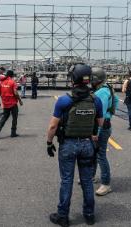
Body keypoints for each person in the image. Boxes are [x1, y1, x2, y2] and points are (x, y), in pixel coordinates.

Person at [45, 64, 104, 226]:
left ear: (73, 79)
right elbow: (100, 123)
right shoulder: (96, 100)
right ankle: (89, 214)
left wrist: (49, 143)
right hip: (87, 144)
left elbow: (52, 126)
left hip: (68, 144)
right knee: (86, 180)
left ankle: (63, 216)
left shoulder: (64, 100)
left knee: (67, 180)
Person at [91, 67, 119, 196]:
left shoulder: (101, 92)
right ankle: (91, 176)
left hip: (101, 127)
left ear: (96, 79)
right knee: (95, 153)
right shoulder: (108, 88)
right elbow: (116, 101)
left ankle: (106, 184)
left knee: (100, 155)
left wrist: (96, 131)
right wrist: (110, 114)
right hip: (106, 124)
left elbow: (99, 114)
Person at [0, 70, 23, 138]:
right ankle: (13, 133)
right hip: (13, 103)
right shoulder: (12, 82)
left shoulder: (1, 82)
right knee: (14, 118)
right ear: (12, 75)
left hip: (5, 103)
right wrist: (20, 100)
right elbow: (15, 93)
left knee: (5, 117)